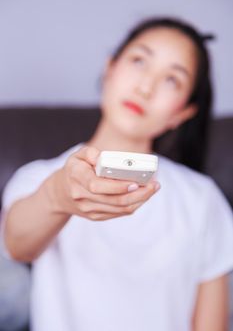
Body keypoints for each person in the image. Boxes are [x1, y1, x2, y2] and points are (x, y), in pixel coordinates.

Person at [1, 17, 233, 331]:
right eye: (139, 61)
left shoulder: (201, 199)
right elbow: (17, 245)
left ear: (182, 113)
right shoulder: (39, 178)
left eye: (172, 80)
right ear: (110, 68)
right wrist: (58, 195)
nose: (145, 86)